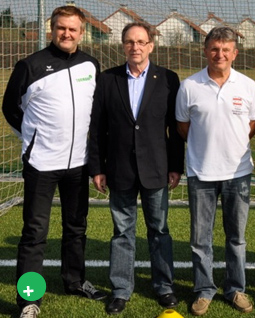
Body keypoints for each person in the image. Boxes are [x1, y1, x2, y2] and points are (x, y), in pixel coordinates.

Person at [1, 5, 105, 318]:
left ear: (81, 32)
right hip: (41, 165)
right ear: (52, 29)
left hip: (78, 164)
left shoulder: (90, 64)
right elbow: (10, 108)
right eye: (61, 28)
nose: (66, 34)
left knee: (76, 227)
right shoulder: (30, 65)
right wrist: (32, 139)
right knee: (35, 234)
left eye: (73, 29)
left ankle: (74, 280)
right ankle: (29, 300)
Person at [88, 22, 184, 315]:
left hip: (156, 167)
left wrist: (176, 166)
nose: (136, 47)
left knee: (159, 230)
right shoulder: (107, 80)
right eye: (130, 42)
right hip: (119, 169)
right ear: (123, 45)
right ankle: (121, 289)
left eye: (141, 42)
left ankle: (164, 286)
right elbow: (97, 129)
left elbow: (175, 129)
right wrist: (97, 168)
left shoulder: (168, 79)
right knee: (122, 232)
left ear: (151, 45)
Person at [175, 26, 255, 316]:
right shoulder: (189, 86)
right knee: (201, 240)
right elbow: (183, 128)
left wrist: (230, 146)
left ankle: (236, 289)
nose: (219, 54)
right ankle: (203, 289)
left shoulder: (248, 85)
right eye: (214, 48)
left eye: (225, 49)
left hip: (238, 173)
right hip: (201, 173)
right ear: (205, 50)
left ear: (234, 53)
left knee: (236, 237)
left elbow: (253, 125)